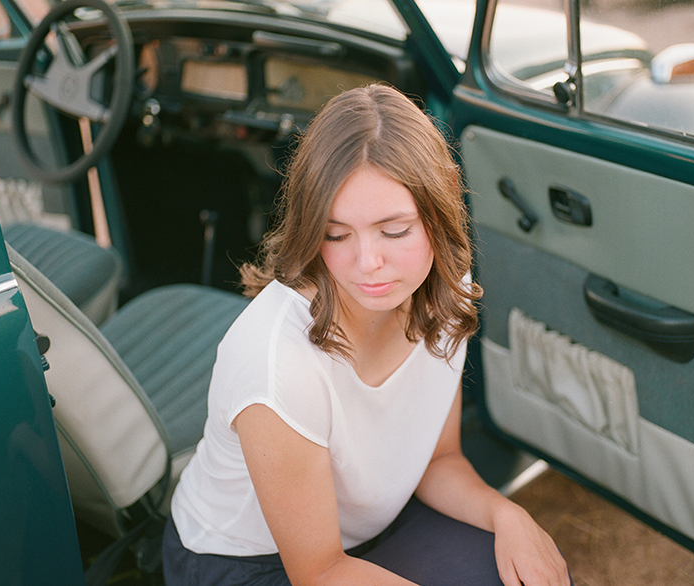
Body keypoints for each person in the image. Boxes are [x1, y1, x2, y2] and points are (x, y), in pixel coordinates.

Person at [163, 84, 570, 586]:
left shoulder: (444, 289)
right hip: (251, 564)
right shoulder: (275, 361)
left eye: (394, 230)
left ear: (436, 218)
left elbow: (437, 460)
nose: (368, 262)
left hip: (372, 527)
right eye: (336, 234)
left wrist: (507, 516)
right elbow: (319, 571)